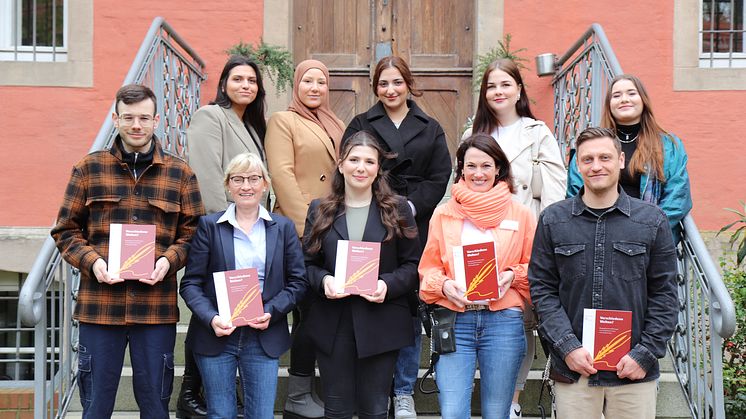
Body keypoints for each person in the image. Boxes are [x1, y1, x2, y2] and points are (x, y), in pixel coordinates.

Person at [50, 84, 204, 418]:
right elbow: (65, 229)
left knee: (155, 406)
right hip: (99, 307)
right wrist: (93, 262)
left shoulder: (180, 174)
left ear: (156, 120)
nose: (137, 125)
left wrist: (169, 260)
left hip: (155, 309)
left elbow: (194, 233)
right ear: (116, 119)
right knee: (96, 407)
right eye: (129, 117)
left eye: (144, 118)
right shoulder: (88, 169)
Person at [529, 127, 678, 419]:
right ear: (576, 165)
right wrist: (567, 347)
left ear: (621, 160)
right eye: (587, 159)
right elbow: (542, 290)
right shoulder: (553, 220)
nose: (596, 166)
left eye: (604, 157)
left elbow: (666, 297)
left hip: (633, 372)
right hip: (574, 371)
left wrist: (644, 354)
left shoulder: (652, 221)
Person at [342, 56, 452, 418]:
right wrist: (382, 204)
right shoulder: (361, 123)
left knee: (407, 305)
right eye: (383, 84)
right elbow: (350, 166)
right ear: (376, 88)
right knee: (373, 299)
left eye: (397, 82)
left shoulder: (430, 126)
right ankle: (375, 386)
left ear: (408, 84)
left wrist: (407, 207)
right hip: (371, 221)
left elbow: (440, 176)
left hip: (412, 223)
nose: (390, 90)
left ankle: (403, 389)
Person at [463, 58, 566, 418]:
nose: (498, 92)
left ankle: (511, 401)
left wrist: (544, 243)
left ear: (519, 90)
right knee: (477, 319)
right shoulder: (472, 133)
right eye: (491, 86)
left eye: (506, 84)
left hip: (523, 237)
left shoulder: (536, 132)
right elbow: (457, 188)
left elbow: (554, 194)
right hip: (476, 240)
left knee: (517, 318)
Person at [180, 153, 308, 419]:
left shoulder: (283, 228)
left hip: (263, 335)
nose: (246, 186)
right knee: (220, 413)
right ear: (228, 185)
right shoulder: (209, 226)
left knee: (261, 414)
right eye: (238, 179)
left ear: (265, 184)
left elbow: (298, 282)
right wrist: (211, 318)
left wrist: (272, 310)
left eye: (253, 178)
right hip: (217, 333)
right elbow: (191, 283)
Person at [302, 131, 421, 418]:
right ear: (341, 164)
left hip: (382, 320)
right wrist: (324, 281)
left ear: (378, 168)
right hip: (333, 321)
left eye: (369, 161)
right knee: (337, 408)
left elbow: (413, 265)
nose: (360, 167)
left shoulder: (398, 209)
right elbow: (306, 264)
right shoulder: (320, 209)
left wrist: (387, 285)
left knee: (375, 409)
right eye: (354, 159)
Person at [419, 133, 536, 419]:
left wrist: (512, 275)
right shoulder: (443, 214)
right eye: (471, 166)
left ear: (498, 168)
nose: (478, 173)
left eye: (486, 166)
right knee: (453, 412)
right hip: (455, 322)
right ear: (461, 169)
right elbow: (427, 270)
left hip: (503, 323)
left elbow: (537, 268)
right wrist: (444, 285)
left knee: (497, 413)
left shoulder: (520, 214)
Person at [178, 54, 269, 418]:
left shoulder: (249, 125)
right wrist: (223, 225)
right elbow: (206, 174)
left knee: (233, 309)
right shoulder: (210, 116)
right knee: (211, 307)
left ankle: (223, 383)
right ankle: (191, 389)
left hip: (248, 225)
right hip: (222, 229)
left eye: (251, 80)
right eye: (237, 79)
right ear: (224, 84)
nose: (245, 85)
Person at [265, 59, 345, 419]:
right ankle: (298, 393)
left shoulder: (337, 123)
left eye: (321, 81)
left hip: (333, 229)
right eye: (307, 81)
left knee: (324, 311)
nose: (314, 87)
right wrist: (309, 227)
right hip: (300, 232)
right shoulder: (284, 121)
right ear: (296, 85)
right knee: (306, 311)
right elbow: (282, 175)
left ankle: (321, 389)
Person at [567, 74, 692, 242]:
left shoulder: (669, 145)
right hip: (598, 233)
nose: (624, 99)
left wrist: (648, 231)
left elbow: (678, 197)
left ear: (643, 100)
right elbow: (576, 189)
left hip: (649, 237)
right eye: (616, 95)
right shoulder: (592, 144)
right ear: (609, 104)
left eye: (631, 93)